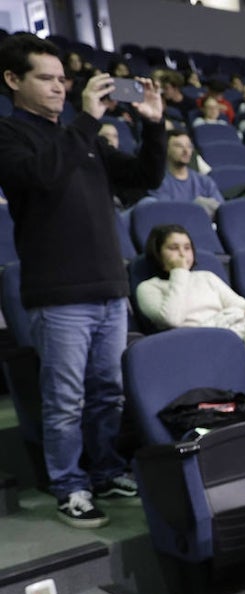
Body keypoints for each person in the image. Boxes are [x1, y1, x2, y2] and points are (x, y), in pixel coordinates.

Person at [0, 34, 165, 527]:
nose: (58, 88)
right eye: (45, 79)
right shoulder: (10, 135)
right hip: (59, 294)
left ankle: (107, 470)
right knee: (65, 398)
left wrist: (154, 125)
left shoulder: (83, 137)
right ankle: (69, 484)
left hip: (108, 289)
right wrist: (88, 118)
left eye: (62, 80)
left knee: (106, 393)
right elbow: (45, 176)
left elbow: (143, 178)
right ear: (13, 80)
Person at [136, 224, 245, 352]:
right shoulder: (148, 287)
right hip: (196, 343)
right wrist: (179, 272)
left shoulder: (206, 277)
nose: (182, 254)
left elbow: (240, 304)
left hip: (231, 330)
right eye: (174, 248)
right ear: (157, 253)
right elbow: (172, 319)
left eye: (187, 248)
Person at [146, 130, 224, 215]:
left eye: (189, 146)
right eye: (179, 146)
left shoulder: (205, 181)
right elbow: (166, 213)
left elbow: (222, 211)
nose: (186, 151)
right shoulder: (158, 182)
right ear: (166, 149)